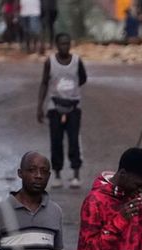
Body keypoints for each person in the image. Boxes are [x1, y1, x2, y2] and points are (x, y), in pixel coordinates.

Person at [37, 33, 87, 189]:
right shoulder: (50, 62)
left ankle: (76, 174)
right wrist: (40, 106)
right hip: (55, 107)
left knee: (74, 140)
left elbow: (83, 78)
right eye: (61, 44)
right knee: (56, 141)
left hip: (73, 107)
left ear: (70, 45)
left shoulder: (77, 61)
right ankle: (57, 174)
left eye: (67, 43)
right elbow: (44, 83)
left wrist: (71, 89)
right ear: (56, 45)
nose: (65, 46)